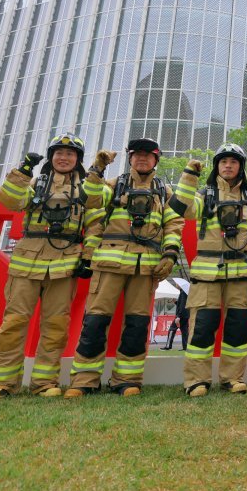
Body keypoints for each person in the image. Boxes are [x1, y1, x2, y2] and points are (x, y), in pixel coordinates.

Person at [0, 133, 106, 400]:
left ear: (78, 160)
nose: (64, 158)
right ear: (50, 157)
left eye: (70, 154)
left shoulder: (88, 189)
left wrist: (88, 256)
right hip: (27, 261)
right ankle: (2, 383)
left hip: (65, 262)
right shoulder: (35, 183)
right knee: (14, 322)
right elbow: (10, 200)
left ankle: (44, 382)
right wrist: (23, 171)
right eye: (59, 153)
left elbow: (96, 222)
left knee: (56, 325)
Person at [65, 138, 184, 397]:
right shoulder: (113, 184)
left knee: (137, 325)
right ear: (130, 158)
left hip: (146, 268)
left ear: (156, 160)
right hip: (109, 264)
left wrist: (171, 254)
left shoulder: (165, 191)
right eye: (137, 154)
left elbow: (174, 225)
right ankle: (84, 380)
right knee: (95, 321)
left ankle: (127, 379)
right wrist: (96, 170)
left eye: (148, 155)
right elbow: (91, 200)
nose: (142, 159)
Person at [169, 143, 247, 396]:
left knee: (238, 329)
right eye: (223, 161)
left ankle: (232, 378)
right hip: (207, 275)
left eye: (233, 162)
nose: (228, 165)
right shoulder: (204, 195)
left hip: (240, 275)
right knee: (202, 329)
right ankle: (196, 381)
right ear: (216, 166)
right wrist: (189, 175)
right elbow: (180, 208)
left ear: (240, 167)